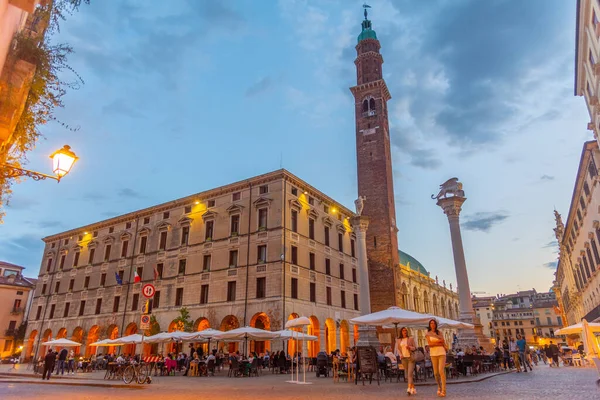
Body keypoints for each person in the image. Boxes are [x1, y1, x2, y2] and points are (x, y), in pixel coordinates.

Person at [426, 319, 447, 397]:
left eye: (434, 323)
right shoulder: (428, 334)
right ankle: (439, 386)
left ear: (435, 324)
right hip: (433, 354)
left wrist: (436, 343)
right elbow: (430, 344)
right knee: (435, 373)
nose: (432, 324)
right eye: (431, 323)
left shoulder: (439, 332)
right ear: (429, 325)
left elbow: (443, 341)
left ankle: (444, 390)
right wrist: (438, 342)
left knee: (441, 371)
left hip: (441, 353)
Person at [395, 327, 417, 396]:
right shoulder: (399, 340)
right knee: (407, 374)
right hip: (404, 359)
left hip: (410, 358)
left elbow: (415, 348)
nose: (404, 331)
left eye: (405, 330)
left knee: (409, 374)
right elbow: (398, 349)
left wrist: (410, 347)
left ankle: (409, 388)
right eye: (403, 330)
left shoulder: (410, 339)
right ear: (401, 332)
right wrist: (400, 355)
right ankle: (413, 388)